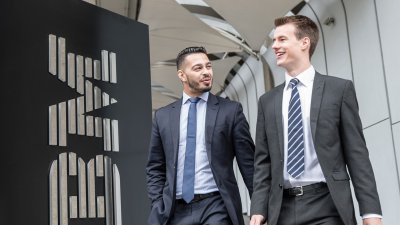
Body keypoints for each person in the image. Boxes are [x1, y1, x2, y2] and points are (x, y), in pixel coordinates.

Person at [250, 15, 382, 225]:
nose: (275, 46)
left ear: (304, 43)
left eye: (282, 39)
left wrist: (370, 213)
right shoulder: (267, 101)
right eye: (274, 40)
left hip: (327, 205)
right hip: (280, 210)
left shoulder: (338, 90)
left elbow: (357, 155)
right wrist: (257, 209)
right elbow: (262, 163)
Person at [146, 46, 255, 225]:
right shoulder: (163, 116)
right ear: (182, 75)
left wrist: (260, 209)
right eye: (198, 68)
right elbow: (155, 167)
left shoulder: (230, 111)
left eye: (208, 66)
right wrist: (158, 204)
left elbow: (249, 165)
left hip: (216, 206)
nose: (206, 72)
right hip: (174, 210)